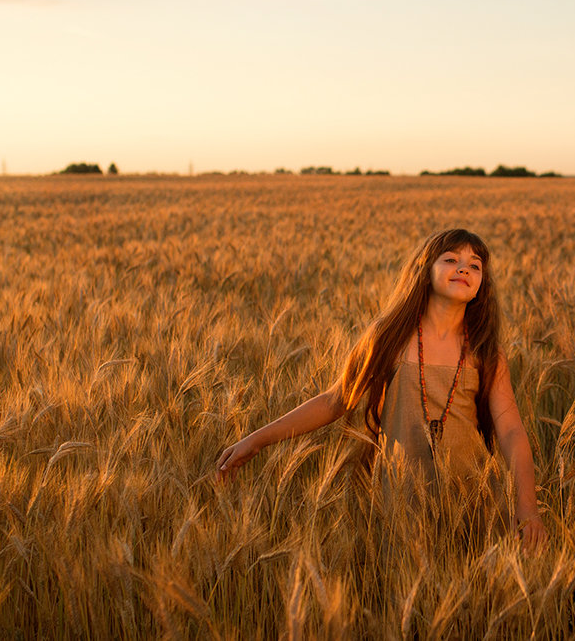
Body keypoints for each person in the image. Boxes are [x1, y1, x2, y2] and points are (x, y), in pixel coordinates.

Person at [215, 229, 547, 551]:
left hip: (474, 499)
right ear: (424, 271)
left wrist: (527, 507)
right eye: (450, 259)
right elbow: (336, 400)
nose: (463, 268)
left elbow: (512, 432)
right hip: (403, 499)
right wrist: (256, 439)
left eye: (475, 265)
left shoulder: (485, 351)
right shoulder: (388, 337)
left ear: (481, 286)